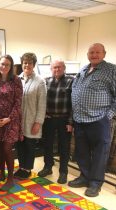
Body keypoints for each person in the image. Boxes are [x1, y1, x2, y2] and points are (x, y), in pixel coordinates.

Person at [69, 43, 116, 197]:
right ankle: (84, 177)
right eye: (91, 52)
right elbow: (75, 90)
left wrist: (108, 115)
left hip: (99, 120)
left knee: (99, 153)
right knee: (81, 151)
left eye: (97, 52)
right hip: (80, 119)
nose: (94, 55)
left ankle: (95, 183)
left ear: (104, 53)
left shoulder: (111, 70)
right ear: (88, 54)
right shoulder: (83, 69)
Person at [0, 55, 23, 191]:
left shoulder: (16, 81)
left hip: (11, 121)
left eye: (7, 65)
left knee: (7, 149)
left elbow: (18, 102)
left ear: (11, 67)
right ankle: (2, 174)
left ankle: (10, 179)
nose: (4, 67)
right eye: (2, 64)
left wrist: (9, 118)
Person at [37, 60, 73, 184]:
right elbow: (41, 100)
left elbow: (74, 104)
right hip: (49, 118)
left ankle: (63, 172)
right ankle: (48, 167)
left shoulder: (71, 80)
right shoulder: (46, 81)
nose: (56, 70)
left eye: (59, 67)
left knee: (64, 147)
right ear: (51, 69)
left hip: (64, 119)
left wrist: (70, 122)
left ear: (64, 68)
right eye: (54, 68)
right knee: (47, 144)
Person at [13, 52, 47, 180]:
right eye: (25, 62)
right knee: (20, 144)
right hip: (18, 120)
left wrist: (38, 122)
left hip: (32, 120)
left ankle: (27, 169)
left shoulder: (40, 81)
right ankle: (21, 167)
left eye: (30, 63)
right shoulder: (17, 80)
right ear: (22, 64)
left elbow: (42, 104)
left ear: (34, 64)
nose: (27, 65)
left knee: (29, 145)